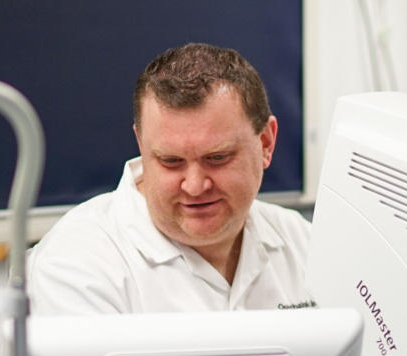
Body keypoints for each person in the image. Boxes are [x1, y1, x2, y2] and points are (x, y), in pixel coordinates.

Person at [27, 43, 314, 314]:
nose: (195, 186)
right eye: (171, 161)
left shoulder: (303, 242)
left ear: (266, 143)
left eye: (217, 158)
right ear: (142, 146)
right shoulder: (77, 265)